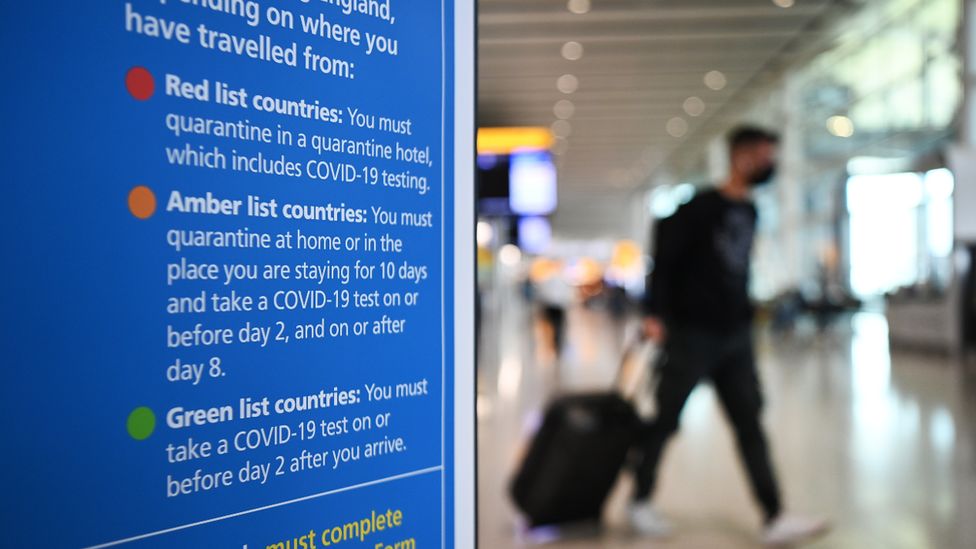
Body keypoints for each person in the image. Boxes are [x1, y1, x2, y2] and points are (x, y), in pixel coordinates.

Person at [629, 126, 829, 545]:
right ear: (740, 156)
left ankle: (773, 514)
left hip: (734, 337)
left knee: (749, 423)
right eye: (762, 155)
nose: (768, 164)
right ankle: (640, 499)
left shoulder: (751, 211)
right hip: (690, 334)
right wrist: (655, 313)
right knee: (666, 420)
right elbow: (662, 261)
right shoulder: (698, 208)